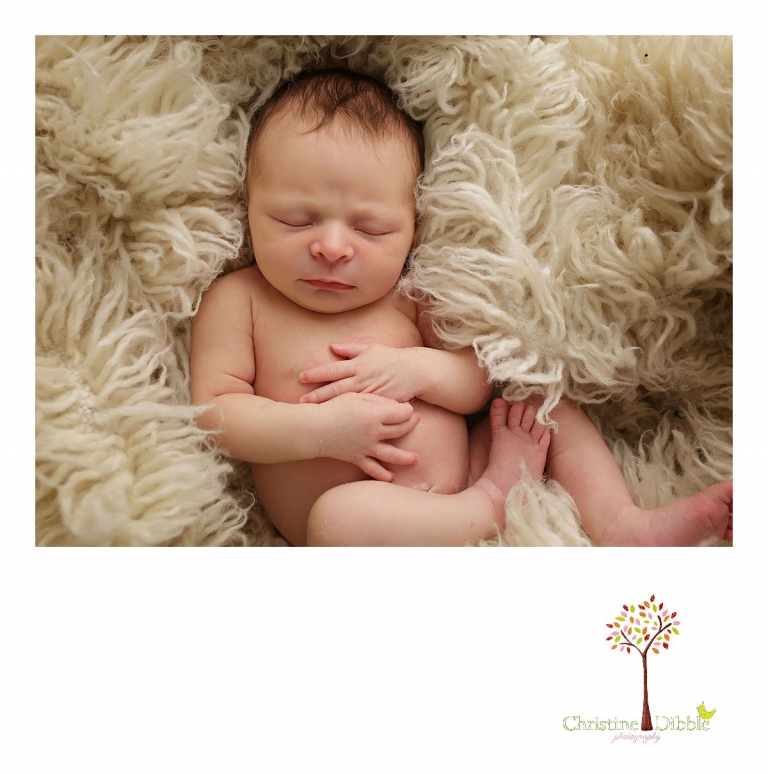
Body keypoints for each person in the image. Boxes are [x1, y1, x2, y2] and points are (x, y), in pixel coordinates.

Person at [190, 67, 733, 547]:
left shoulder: (409, 296)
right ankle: (493, 502)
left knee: (540, 403)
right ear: (249, 206)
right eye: (296, 220)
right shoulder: (242, 300)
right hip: (360, 527)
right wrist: (322, 432)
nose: (332, 246)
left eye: (371, 228)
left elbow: (475, 383)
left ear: (414, 224)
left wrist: (414, 369)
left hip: (468, 463)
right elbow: (218, 412)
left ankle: (621, 525)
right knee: (337, 519)